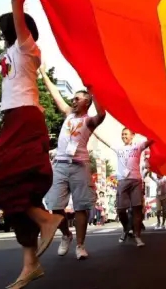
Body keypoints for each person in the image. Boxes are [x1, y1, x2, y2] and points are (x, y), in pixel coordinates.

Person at [0, 0, 63, 288]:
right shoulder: (11, 53)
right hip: (14, 118)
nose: (0, 34)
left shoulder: (28, 47)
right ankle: (30, 265)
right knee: (20, 193)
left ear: (18, 29)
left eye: (3, 30)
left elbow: (16, 2)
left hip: (24, 118)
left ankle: (45, 218)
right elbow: (0, 66)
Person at [40, 65, 106, 260]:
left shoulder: (89, 121)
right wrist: (43, 73)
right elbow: (56, 95)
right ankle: (67, 235)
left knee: (80, 207)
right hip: (60, 165)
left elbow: (102, 113)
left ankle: (80, 245)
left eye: (77, 98)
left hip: (80, 166)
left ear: (87, 102)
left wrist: (93, 89)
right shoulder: (69, 114)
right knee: (55, 206)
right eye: (73, 99)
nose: (73, 101)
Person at [95, 128, 151, 246]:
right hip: (122, 181)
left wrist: (149, 129)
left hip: (136, 180)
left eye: (126, 134)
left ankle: (137, 236)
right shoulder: (118, 148)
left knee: (136, 209)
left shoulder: (138, 146)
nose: (123, 136)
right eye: (122, 134)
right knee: (120, 210)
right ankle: (126, 228)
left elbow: (151, 140)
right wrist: (93, 129)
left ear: (132, 135)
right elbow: (103, 139)